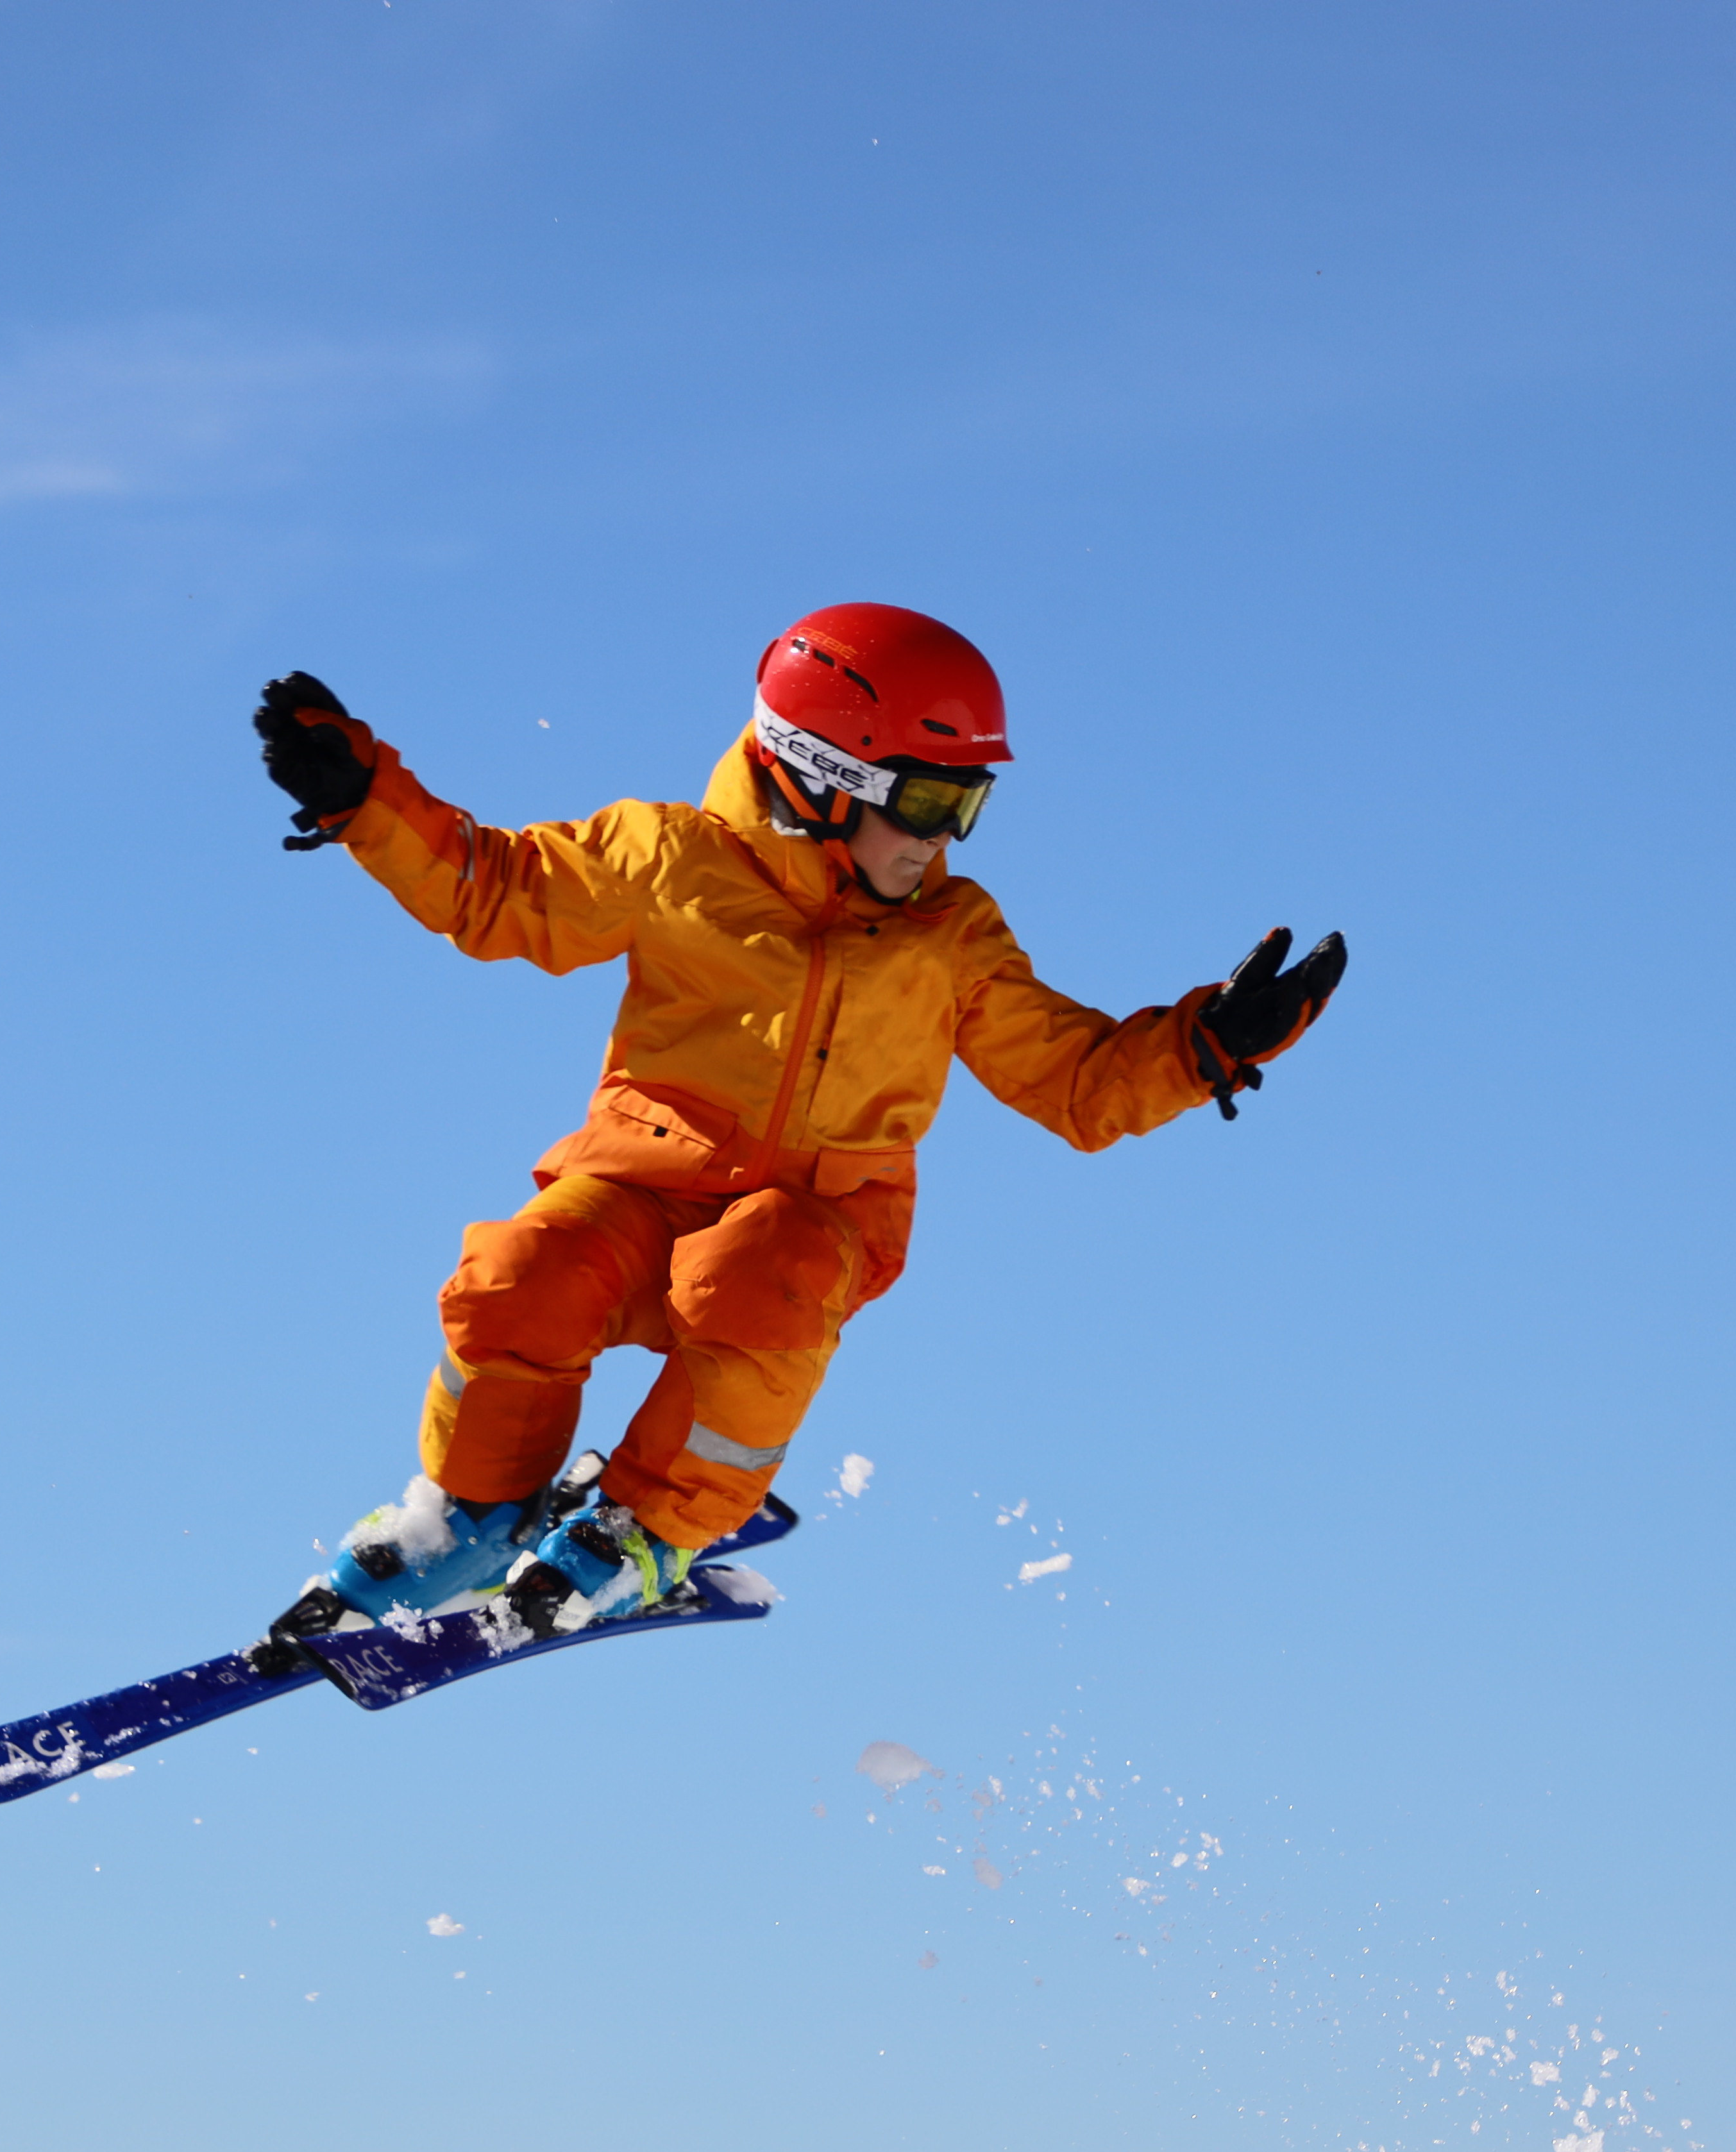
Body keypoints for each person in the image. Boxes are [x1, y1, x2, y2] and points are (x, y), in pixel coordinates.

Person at [244, 602, 1344, 1667]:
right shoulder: (669, 860)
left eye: (966, 807)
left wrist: (1206, 1048)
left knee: (762, 1269)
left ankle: (652, 1527)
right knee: (520, 1274)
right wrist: (365, 801)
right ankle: (470, 1516)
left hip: (816, 1221)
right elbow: (496, 892)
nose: (941, 839)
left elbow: (1074, 1081)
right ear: (820, 775)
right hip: (643, 1181)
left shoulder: (949, 937)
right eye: (924, 802)